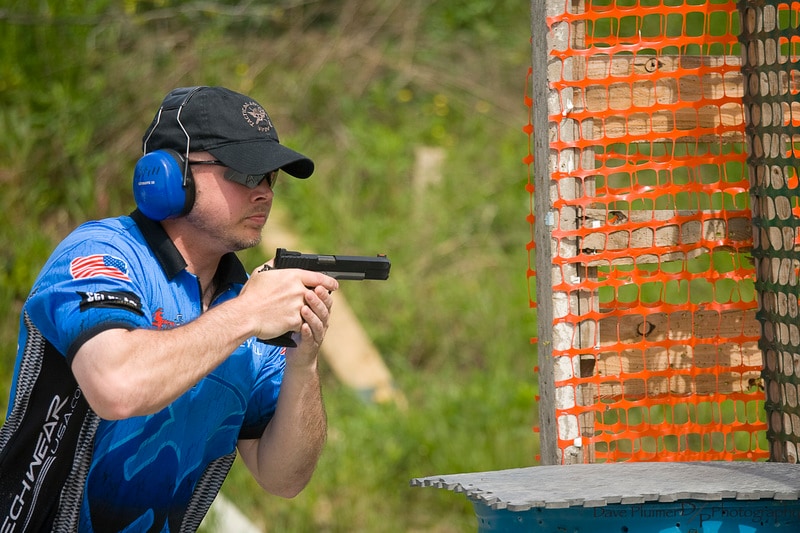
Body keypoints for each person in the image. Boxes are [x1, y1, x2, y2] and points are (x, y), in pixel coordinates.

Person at [0, 86, 339, 532]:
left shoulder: (241, 300)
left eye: (270, 177)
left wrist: (304, 361)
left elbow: (285, 478)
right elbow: (117, 385)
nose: (263, 193)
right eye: (244, 172)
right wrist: (246, 316)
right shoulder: (102, 253)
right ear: (169, 174)